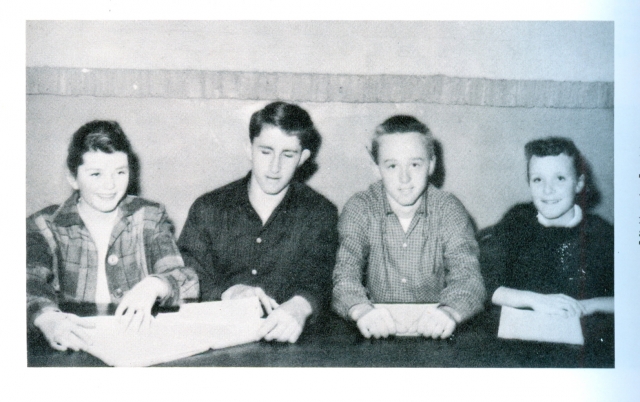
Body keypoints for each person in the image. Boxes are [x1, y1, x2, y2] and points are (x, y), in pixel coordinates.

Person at [27, 120, 199, 352]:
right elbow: (26, 280)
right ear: (72, 178)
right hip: (72, 345)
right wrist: (46, 318)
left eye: (120, 172)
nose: (110, 185)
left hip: (137, 344)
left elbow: (186, 280)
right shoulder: (44, 225)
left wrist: (155, 285)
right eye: (96, 174)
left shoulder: (149, 216)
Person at [178, 101, 338, 343]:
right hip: (217, 339)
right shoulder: (208, 208)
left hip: (291, 342)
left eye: (288, 154)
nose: (275, 167)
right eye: (265, 151)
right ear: (249, 149)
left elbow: (322, 276)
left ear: (303, 157)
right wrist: (227, 293)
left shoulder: (320, 212)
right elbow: (187, 274)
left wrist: (301, 305)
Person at [332, 115, 486, 340]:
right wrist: (361, 310)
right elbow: (344, 275)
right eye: (392, 165)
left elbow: (469, 278)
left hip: (436, 333)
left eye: (415, 164)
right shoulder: (360, 207)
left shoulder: (449, 209)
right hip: (374, 331)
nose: (404, 178)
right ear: (376, 168)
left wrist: (449, 312)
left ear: (431, 164)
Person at [481, 137, 613, 317]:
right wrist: (535, 300)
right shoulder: (517, 221)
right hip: (519, 333)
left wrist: (586, 306)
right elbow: (482, 283)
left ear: (579, 183)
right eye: (537, 180)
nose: (547, 190)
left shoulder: (601, 233)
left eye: (560, 178)